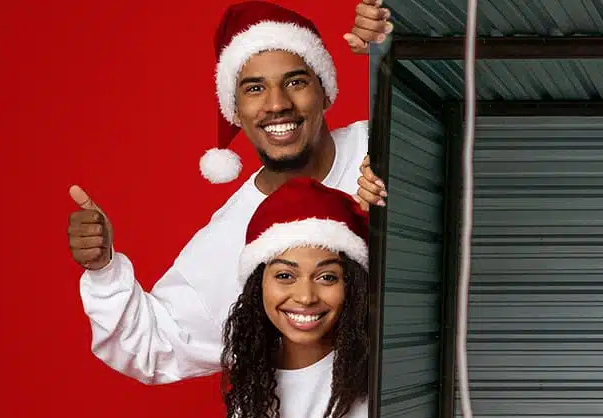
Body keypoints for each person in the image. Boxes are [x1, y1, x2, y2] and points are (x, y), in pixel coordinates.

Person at [66, 1, 391, 385]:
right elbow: (155, 345)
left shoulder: (385, 142)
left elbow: (470, 122)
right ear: (235, 110)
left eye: (296, 81)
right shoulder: (229, 238)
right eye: (254, 88)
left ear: (326, 91)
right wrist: (103, 272)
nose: (276, 104)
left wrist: (398, 46)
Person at [220, 176, 397, 418]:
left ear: (351, 286)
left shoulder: (396, 345)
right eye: (285, 275)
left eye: (327, 277)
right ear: (257, 283)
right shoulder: (255, 416)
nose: (305, 297)